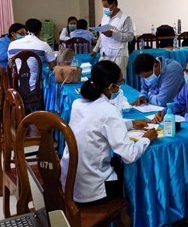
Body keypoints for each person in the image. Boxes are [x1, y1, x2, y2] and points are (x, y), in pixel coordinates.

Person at [60, 61, 157, 204]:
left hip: (70, 181)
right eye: (120, 82)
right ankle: (135, 217)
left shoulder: (78, 104)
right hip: (93, 190)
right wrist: (146, 138)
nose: (120, 86)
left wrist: (130, 123)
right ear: (111, 87)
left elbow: (97, 126)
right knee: (134, 177)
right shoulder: (109, 111)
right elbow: (129, 155)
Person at [91, 0, 135, 76]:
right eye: (103, 7)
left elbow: (130, 37)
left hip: (119, 55)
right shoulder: (105, 17)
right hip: (105, 54)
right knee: (102, 77)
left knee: (117, 80)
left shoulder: (125, 18)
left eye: (106, 6)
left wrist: (113, 34)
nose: (104, 9)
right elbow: (101, 35)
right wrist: (95, 49)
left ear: (113, 5)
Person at [7, 18, 56, 90]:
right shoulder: (44, 45)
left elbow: (10, 64)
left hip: (15, 87)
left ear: (25, 29)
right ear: (40, 31)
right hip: (35, 89)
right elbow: (53, 66)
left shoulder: (12, 45)